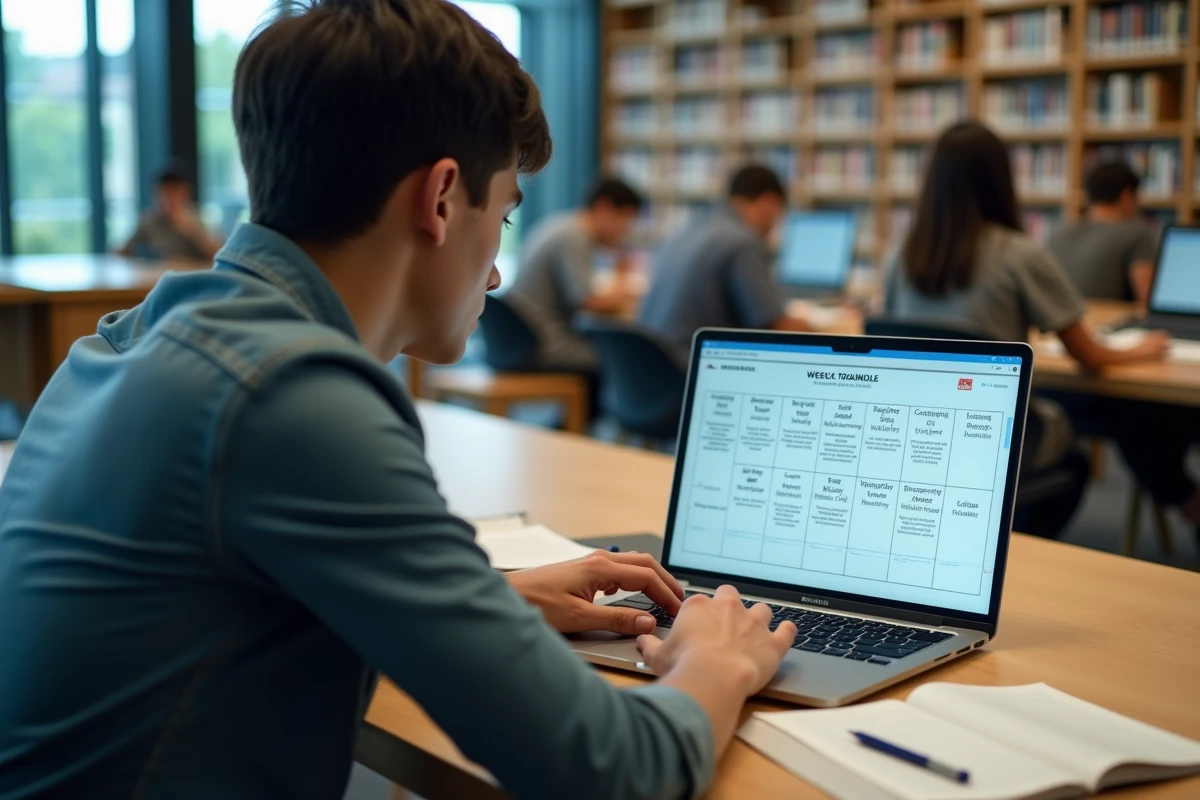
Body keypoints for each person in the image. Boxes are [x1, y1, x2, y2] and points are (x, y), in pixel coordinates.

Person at [0, 2, 796, 799]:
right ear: (442, 197)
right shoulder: (295, 397)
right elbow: (617, 773)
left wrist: (488, 603)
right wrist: (716, 662)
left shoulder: (132, 338)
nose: (495, 273)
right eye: (503, 214)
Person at [883, 121, 1173, 538]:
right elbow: (1088, 355)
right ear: (999, 179)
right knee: (1075, 456)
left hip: (915, 432)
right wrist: (1143, 348)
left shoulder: (901, 255)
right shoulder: (1019, 254)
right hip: (989, 432)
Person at [639, 164, 809, 364]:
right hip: (690, 368)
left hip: (649, 363)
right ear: (768, 203)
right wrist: (825, 331)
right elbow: (777, 325)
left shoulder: (688, 229)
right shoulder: (742, 242)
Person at [504, 177, 644, 372]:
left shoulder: (562, 225)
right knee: (622, 358)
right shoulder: (574, 236)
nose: (626, 230)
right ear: (604, 207)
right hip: (542, 343)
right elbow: (587, 302)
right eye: (626, 219)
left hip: (519, 339)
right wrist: (629, 290)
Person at [1047, 161, 1158, 304]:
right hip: (1112, 317)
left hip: (1065, 317)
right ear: (1126, 196)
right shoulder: (1137, 233)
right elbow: (1147, 297)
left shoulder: (1059, 234)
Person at [117, 163, 222, 261]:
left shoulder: (200, 217)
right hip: (159, 273)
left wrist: (192, 231)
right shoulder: (149, 221)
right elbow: (122, 251)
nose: (169, 199)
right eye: (165, 192)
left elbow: (220, 254)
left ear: (186, 192)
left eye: (175, 192)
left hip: (194, 273)